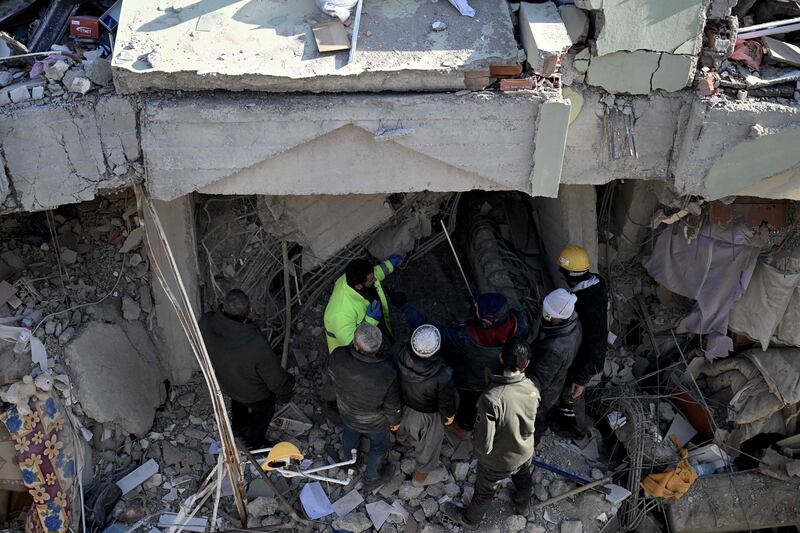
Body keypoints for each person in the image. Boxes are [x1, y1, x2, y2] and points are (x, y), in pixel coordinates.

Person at [442, 339, 540, 529]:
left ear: (501, 357)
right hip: (525, 451)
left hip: (497, 463)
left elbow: (484, 444)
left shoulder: (492, 398)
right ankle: (522, 506)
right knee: (523, 477)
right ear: (526, 364)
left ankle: (470, 520)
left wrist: (473, 440)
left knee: (485, 491)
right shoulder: (532, 387)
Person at [406, 293, 528, 439]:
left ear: (485, 322)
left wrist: (406, 308)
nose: (475, 306)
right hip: (498, 376)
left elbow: (431, 333)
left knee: (468, 405)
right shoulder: (519, 324)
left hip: (471, 380)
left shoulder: (464, 337)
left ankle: (463, 428)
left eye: (478, 308)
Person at [198, 289, 295, 449]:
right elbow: (276, 382)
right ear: (248, 313)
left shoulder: (206, 322)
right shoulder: (255, 343)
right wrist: (289, 384)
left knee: (238, 402)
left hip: (226, 381)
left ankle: (238, 428)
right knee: (263, 412)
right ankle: (255, 443)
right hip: (255, 394)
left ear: (224, 306)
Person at [328, 323, 401, 490]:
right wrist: (394, 421)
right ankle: (372, 477)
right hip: (374, 422)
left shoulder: (338, 356)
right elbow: (392, 405)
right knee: (378, 445)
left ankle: (350, 463)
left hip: (347, 411)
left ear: (357, 345)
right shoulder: (387, 372)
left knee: (349, 434)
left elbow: (332, 378)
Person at [554, 244, 609, 438]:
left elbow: (594, 342)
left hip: (586, 360)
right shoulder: (598, 283)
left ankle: (578, 431)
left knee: (573, 395)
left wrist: (581, 377)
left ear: (568, 275)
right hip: (590, 355)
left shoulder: (584, 302)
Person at [395, 324, 459, 487]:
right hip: (428, 415)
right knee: (430, 447)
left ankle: (404, 439)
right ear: (436, 349)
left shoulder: (400, 354)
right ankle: (418, 479)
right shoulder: (443, 374)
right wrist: (449, 417)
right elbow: (446, 402)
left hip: (402, 406)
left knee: (399, 427)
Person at [528, 289, 582, 439]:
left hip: (544, 393)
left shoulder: (555, 348)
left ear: (557, 315)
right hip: (557, 381)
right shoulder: (573, 324)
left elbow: (540, 380)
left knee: (536, 419)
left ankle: (531, 443)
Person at [323, 255, 404, 354]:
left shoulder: (351, 277)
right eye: (371, 280)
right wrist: (370, 321)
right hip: (350, 352)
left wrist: (388, 265)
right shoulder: (340, 313)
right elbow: (354, 344)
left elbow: (372, 275)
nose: (374, 280)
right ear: (359, 286)